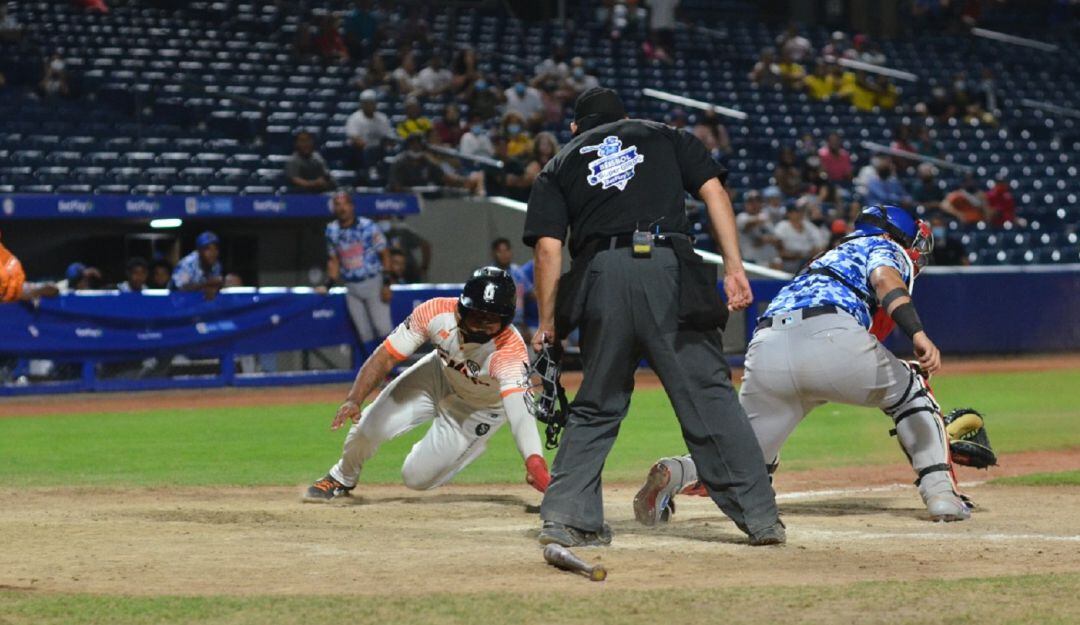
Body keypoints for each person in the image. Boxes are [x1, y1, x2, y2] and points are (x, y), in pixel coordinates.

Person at [523, 87, 783, 547]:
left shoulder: (559, 163)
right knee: (709, 397)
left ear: (575, 127)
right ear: (625, 117)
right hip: (669, 269)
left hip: (602, 277)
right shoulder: (664, 135)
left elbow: (548, 249)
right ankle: (760, 519)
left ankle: (565, 518)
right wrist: (735, 270)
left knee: (596, 403)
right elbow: (714, 192)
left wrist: (548, 325)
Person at [634, 205, 971, 526]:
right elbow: (884, 280)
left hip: (767, 346)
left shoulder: (825, 255)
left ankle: (675, 471)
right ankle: (941, 494)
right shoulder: (881, 245)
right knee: (912, 390)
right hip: (829, 334)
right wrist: (917, 332)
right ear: (896, 234)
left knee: (747, 459)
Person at [302, 268, 550, 501]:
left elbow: (520, 413)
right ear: (463, 306)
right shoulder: (436, 312)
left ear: (505, 320)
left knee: (415, 478)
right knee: (367, 427)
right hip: (437, 374)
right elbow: (386, 356)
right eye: (476, 313)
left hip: (478, 409)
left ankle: (466, 445)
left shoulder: (510, 353)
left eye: (491, 318)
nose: (481, 322)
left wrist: (534, 462)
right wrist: (354, 399)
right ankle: (341, 477)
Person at [325, 192, 392, 356]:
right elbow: (333, 259)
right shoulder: (331, 230)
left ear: (352, 206)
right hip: (351, 285)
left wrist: (386, 283)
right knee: (364, 332)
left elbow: (384, 254)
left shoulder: (368, 226)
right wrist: (328, 284)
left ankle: (390, 370)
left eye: (345, 204)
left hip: (372, 281)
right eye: (338, 205)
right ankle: (372, 373)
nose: (342, 208)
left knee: (382, 328)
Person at [345, 90, 396, 171]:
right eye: (366, 103)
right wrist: (369, 147)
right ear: (361, 104)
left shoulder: (382, 118)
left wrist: (387, 143)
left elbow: (390, 137)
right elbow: (355, 139)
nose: (369, 105)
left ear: (376, 104)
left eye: (371, 103)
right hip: (359, 152)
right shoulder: (354, 118)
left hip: (379, 150)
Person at [490, 238, 532, 329]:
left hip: (518, 324)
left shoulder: (518, 272)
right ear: (494, 253)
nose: (504, 254)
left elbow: (530, 294)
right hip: (496, 323)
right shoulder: (489, 274)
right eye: (500, 251)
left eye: (507, 250)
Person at [773, 205, 827, 274]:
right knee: (777, 261)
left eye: (800, 211)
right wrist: (794, 255)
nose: (799, 214)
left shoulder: (809, 226)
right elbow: (779, 248)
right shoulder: (782, 226)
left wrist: (813, 253)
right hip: (788, 261)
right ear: (788, 214)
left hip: (807, 260)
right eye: (795, 212)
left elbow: (820, 245)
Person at [169, 232, 224, 299]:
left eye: (216, 248)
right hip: (175, 301)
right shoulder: (187, 264)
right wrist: (207, 284)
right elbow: (181, 288)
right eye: (207, 249)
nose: (213, 253)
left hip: (197, 303)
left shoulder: (216, 265)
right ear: (199, 250)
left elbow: (214, 286)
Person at [380, 216, 431, 283]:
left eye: (386, 217)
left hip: (410, 274)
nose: (383, 219)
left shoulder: (401, 232)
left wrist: (424, 268)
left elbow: (425, 245)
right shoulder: (375, 233)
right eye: (380, 217)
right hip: (388, 276)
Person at [736, 190, 779, 267]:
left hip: (769, 260)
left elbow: (775, 238)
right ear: (745, 204)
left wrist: (767, 239)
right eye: (751, 201)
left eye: (757, 201)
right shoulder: (741, 217)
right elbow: (747, 225)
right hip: (751, 262)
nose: (754, 204)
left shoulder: (765, 217)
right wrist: (759, 219)